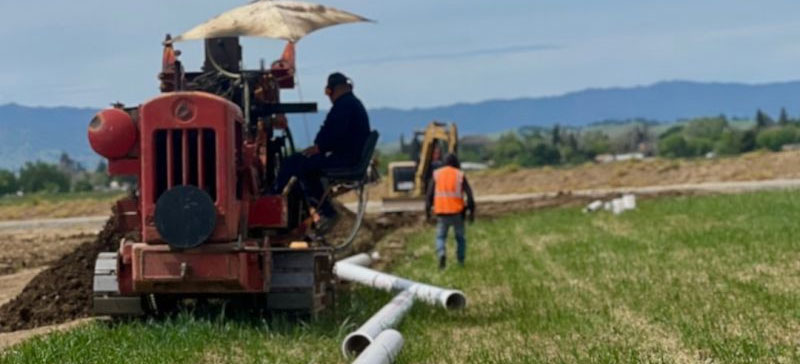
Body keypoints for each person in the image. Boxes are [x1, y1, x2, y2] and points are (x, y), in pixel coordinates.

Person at [273, 72, 371, 233]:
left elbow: (331, 135)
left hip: (345, 159)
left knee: (296, 164)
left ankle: (278, 201)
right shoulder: (351, 104)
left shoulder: (344, 106)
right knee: (302, 164)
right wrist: (320, 147)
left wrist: (319, 147)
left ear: (332, 90)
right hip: (346, 156)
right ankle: (311, 211)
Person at [425, 154, 476, 270]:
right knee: (460, 238)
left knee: (440, 237)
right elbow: (469, 195)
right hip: (458, 212)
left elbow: (429, 195)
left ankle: (441, 254)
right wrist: (471, 212)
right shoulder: (459, 174)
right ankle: (461, 261)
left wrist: (427, 212)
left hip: (442, 212)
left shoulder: (437, 174)